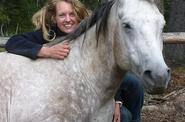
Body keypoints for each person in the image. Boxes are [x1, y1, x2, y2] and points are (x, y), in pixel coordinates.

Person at [5, 0, 144, 122]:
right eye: (62, 15)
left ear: (78, 14)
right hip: (74, 87)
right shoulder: (48, 34)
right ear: (54, 18)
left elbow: (108, 69)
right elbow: (13, 42)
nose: (68, 19)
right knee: (124, 116)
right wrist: (46, 51)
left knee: (134, 83)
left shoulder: (90, 32)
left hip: (101, 83)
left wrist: (116, 101)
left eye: (72, 14)